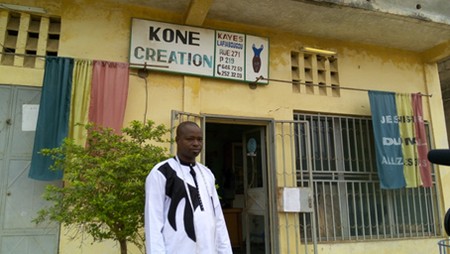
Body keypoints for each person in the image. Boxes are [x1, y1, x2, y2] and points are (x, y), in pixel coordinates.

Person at [145, 121, 232, 254]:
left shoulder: (206, 174)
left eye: (200, 139)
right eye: (190, 139)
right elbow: (153, 222)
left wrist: (224, 251)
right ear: (177, 140)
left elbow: (218, 218)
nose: (196, 143)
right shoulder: (162, 172)